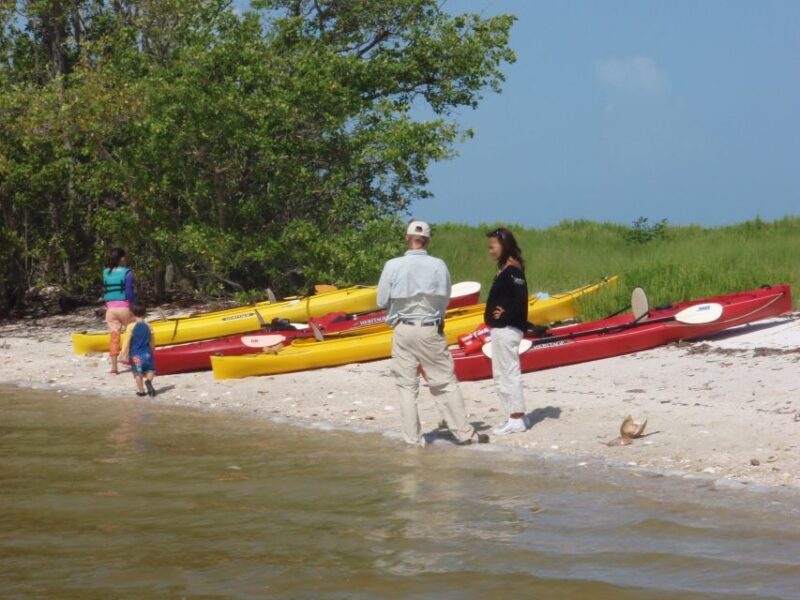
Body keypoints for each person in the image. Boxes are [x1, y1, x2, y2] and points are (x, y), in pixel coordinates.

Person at [377, 220, 488, 447]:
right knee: (445, 383)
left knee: (407, 387)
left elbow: (381, 301)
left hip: (403, 329)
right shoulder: (438, 265)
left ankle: (413, 440)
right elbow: (445, 298)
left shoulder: (392, 265)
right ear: (428, 241)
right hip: (429, 327)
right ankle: (464, 434)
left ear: (407, 238)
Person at [485, 227, 529, 435]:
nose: (490, 251)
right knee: (502, 373)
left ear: (505, 245)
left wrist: (505, 314)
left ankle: (516, 418)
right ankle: (515, 415)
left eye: (492, 246)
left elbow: (521, 299)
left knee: (507, 373)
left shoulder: (513, 270)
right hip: (502, 329)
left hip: (507, 329)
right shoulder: (506, 269)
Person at [103, 248, 136, 374]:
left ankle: (114, 368)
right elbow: (129, 292)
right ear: (122, 258)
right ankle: (134, 362)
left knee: (114, 337)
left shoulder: (105, 272)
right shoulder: (127, 272)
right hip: (124, 307)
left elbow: (106, 290)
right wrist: (133, 306)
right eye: (125, 257)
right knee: (133, 332)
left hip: (110, 309)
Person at [120, 304, 157, 397]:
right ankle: (148, 381)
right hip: (147, 353)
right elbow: (152, 339)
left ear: (131, 314)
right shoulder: (148, 325)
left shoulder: (131, 326)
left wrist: (123, 352)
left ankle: (141, 391)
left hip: (135, 355)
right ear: (145, 314)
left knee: (138, 373)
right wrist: (153, 347)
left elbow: (127, 341)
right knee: (151, 370)